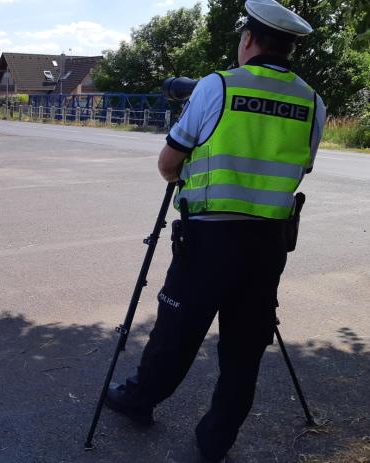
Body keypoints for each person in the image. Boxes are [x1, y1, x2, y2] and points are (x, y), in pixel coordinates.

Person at [104, 0, 326, 461]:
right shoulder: (312, 101)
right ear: (291, 49)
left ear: (248, 38)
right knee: (244, 352)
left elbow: (168, 164)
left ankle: (139, 400)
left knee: (177, 333)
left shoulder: (217, 86)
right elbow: (299, 169)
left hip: (207, 243)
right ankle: (215, 443)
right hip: (268, 245)